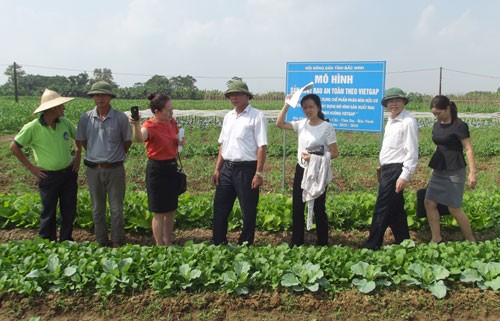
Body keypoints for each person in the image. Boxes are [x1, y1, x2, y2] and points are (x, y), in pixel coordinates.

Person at [10, 89, 80, 242]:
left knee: (68, 209)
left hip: (68, 173)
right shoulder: (33, 127)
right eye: (61, 105)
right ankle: (47, 241)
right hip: (48, 176)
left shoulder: (65, 123)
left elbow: (78, 138)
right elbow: (14, 147)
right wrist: (31, 167)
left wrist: (78, 155)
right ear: (53, 108)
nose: (64, 108)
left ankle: (66, 239)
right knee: (48, 210)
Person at [276, 93, 339, 246]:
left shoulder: (327, 127)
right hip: (302, 169)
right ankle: (297, 242)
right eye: (305, 107)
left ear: (318, 107)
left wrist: (315, 159)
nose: (308, 110)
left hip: (318, 170)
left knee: (319, 207)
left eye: (311, 107)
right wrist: (287, 104)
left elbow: (335, 152)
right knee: (298, 206)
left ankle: (322, 242)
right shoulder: (302, 124)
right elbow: (279, 123)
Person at [76, 81, 132, 247]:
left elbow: (127, 142)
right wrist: (95, 154)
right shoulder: (85, 118)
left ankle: (117, 241)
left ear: (110, 97)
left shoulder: (120, 117)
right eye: (96, 95)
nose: (99, 98)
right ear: (92, 97)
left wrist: (113, 156)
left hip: (115, 169)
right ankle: (101, 241)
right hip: (93, 169)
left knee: (116, 209)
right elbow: (83, 141)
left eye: (103, 95)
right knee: (97, 209)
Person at [211, 80, 268, 245]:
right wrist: (217, 169)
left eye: (237, 94)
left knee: (248, 210)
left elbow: (262, 146)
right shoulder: (229, 116)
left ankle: (245, 243)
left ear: (246, 96)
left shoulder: (257, 116)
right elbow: (223, 144)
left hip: (247, 169)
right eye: (230, 95)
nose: (233, 98)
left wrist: (258, 173)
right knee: (220, 207)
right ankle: (218, 241)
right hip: (227, 168)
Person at [363, 87, 419, 250]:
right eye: (390, 101)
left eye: (397, 100)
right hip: (388, 168)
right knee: (395, 209)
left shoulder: (408, 121)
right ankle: (404, 242)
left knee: (382, 207)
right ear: (386, 104)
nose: (393, 104)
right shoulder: (391, 120)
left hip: (396, 170)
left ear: (403, 102)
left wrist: (404, 176)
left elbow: (412, 151)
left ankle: (372, 245)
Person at [130, 93, 185, 246]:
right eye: (168, 110)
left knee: (170, 209)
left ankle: (168, 242)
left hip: (171, 168)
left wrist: (180, 141)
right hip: (157, 170)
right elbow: (139, 138)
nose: (171, 112)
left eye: (172, 109)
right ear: (157, 112)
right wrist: (135, 124)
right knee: (159, 212)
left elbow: (174, 139)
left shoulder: (171, 122)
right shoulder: (149, 126)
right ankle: (159, 245)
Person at [425, 95, 477, 243]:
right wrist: (433, 168)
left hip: (455, 170)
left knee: (454, 208)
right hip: (439, 168)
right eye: (434, 114)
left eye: (438, 113)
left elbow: (468, 149)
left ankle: (471, 240)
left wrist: (473, 173)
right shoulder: (437, 125)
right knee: (429, 202)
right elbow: (438, 145)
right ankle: (436, 238)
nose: (436, 116)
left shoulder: (459, 126)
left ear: (448, 109)